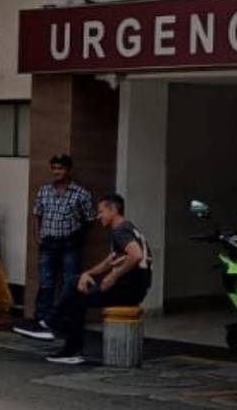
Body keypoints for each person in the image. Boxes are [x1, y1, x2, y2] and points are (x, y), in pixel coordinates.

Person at [42, 193, 152, 364]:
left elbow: (136, 255)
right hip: (133, 287)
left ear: (113, 210)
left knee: (76, 298)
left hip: (128, 289)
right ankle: (55, 326)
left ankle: (60, 334)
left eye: (101, 212)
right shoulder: (128, 228)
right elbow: (108, 262)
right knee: (75, 286)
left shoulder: (120, 231)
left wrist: (113, 276)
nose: (98, 216)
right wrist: (88, 274)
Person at [13, 154, 96, 341]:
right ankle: (42, 320)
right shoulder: (45, 190)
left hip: (69, 243)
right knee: (46, 283)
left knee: (69, 283)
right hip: (48, 243)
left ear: (69, 170)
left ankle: (66, 321)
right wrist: (38, 235)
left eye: (60, 168)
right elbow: (37, 214)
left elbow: (90, 218)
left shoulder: (81, 193)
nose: (57, 172)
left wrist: (78, 237)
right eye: (54, 168)